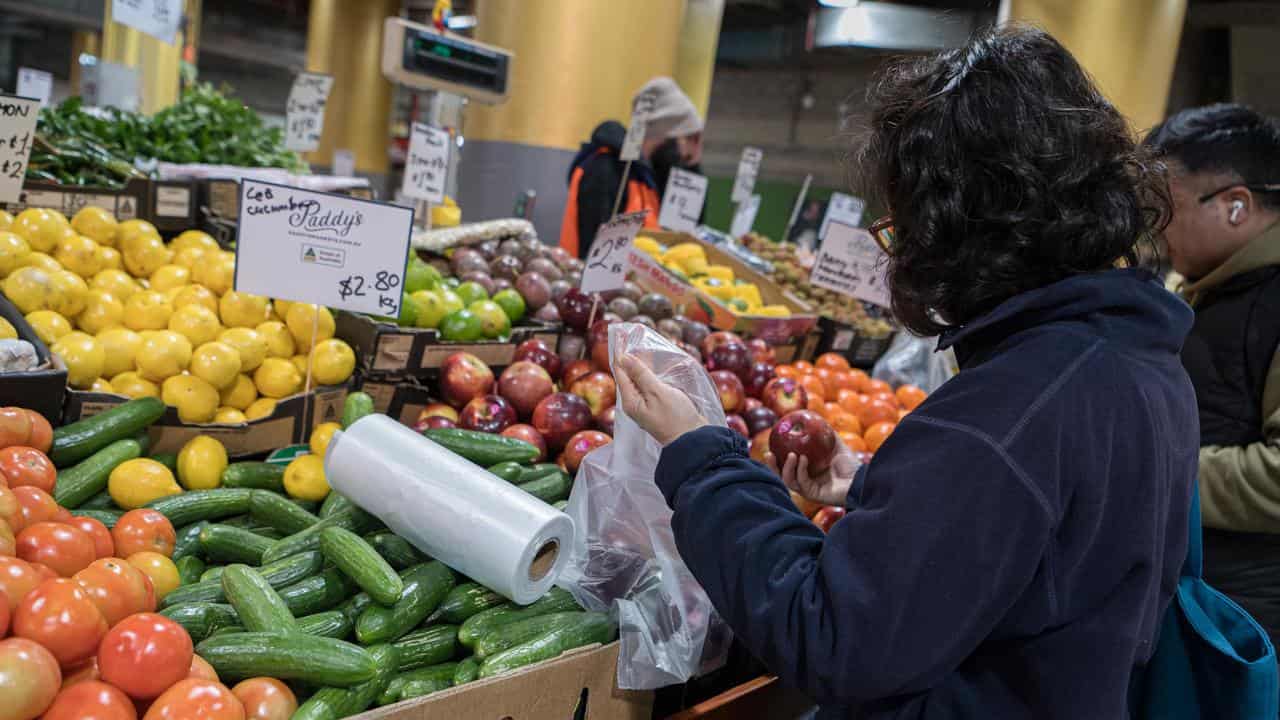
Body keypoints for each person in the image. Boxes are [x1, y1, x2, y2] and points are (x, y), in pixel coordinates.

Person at [614, 26, 1196, 719]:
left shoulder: (1010, 412)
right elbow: (1036, 546)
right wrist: (872, 484)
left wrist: (703, 456)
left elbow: (832, 637)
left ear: (960, 222)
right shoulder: (1140, 359)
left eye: (903, 224)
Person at [1145, 105, 1280, 647]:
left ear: (1235, 206)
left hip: (1249, 621)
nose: (1155, 229)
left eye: (1168, 209)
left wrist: (1156, 465)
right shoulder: (1207, 287)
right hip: (1199, 593)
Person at [559, 77, 704, 259]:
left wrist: (693, 166)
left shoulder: (648, 176)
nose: (688, 152)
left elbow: (686, 235)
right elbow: (595, 255)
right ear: (669, 136)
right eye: (689, 138)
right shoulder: (605, 169)